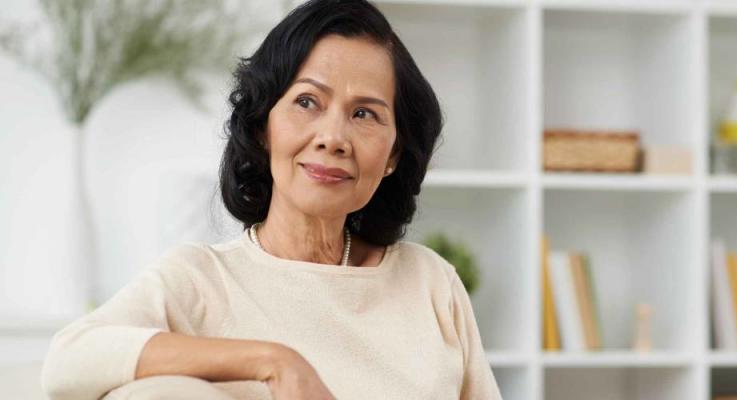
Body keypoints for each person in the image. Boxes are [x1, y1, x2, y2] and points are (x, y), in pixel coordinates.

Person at [40, 0, 502, 399]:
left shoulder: (430, 283)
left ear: (393, 156)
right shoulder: (199, 281)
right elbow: (68, 360)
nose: (333, 137)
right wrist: (274, 361)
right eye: (307, 102)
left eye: (364, 114)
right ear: (264, 126)